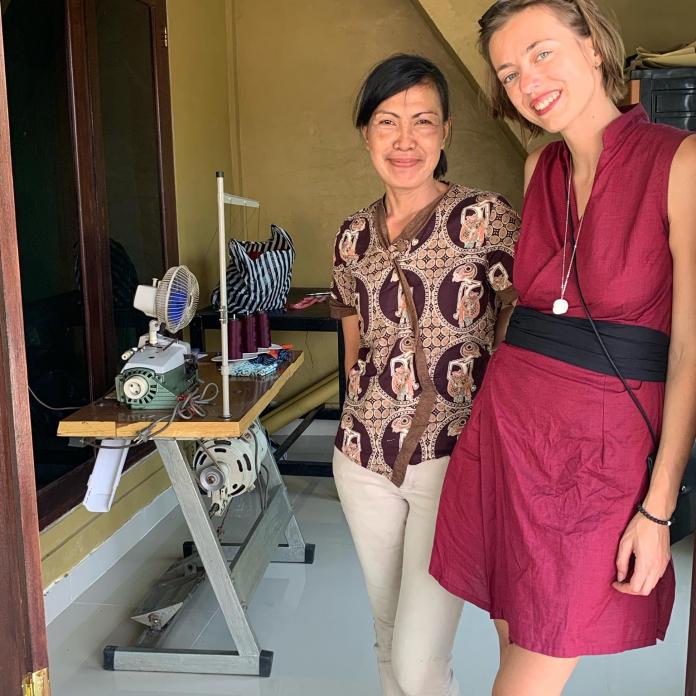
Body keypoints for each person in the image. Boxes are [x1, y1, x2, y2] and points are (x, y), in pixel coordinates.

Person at [429, 2, 696, 694]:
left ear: (594, 48)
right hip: (511, 432)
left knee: (529, 673)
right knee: (516, 644)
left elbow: (689, 353)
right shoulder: (538, 166)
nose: (528, 82)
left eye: (542, 53)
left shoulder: (680, 161)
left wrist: (659, 507)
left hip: (601, 455)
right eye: (508, 73)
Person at [330, 53, 521, 696]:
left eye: (423, 121)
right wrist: (359, 409)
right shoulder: (352, 237)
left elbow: (520, 315)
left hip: (452, 460)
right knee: (388, 634)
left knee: (417, 658)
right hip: (361, 460)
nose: (404, 140)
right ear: (366, 133)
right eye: (388, 121)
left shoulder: (486, 218)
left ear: (445, 133)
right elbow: (354, 337)